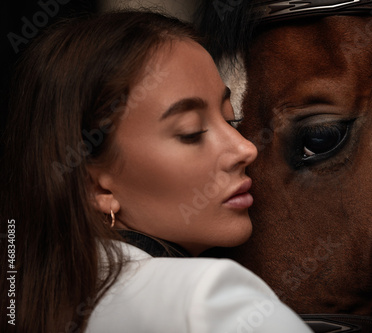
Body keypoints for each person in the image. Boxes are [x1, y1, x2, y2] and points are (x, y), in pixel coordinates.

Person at [0, 10, 313, 333]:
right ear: (96, 188)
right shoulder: (208, 303)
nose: (245, 149)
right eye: (191, 132)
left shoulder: (31, 304)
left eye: (230, 119)